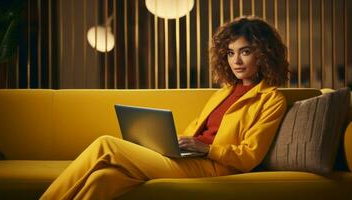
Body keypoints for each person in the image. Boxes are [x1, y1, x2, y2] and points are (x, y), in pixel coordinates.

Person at [40, 16, 289, 200]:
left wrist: (207, 149)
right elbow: (196, 132)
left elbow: (248, 157)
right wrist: (171, 143)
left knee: (106, 144)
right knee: (103, 179)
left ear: (263, 54)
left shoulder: (271, 99)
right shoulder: (223, 92)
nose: (236, 61)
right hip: (189, 159)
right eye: (230, 53)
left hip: (214, 168)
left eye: (245, 52)